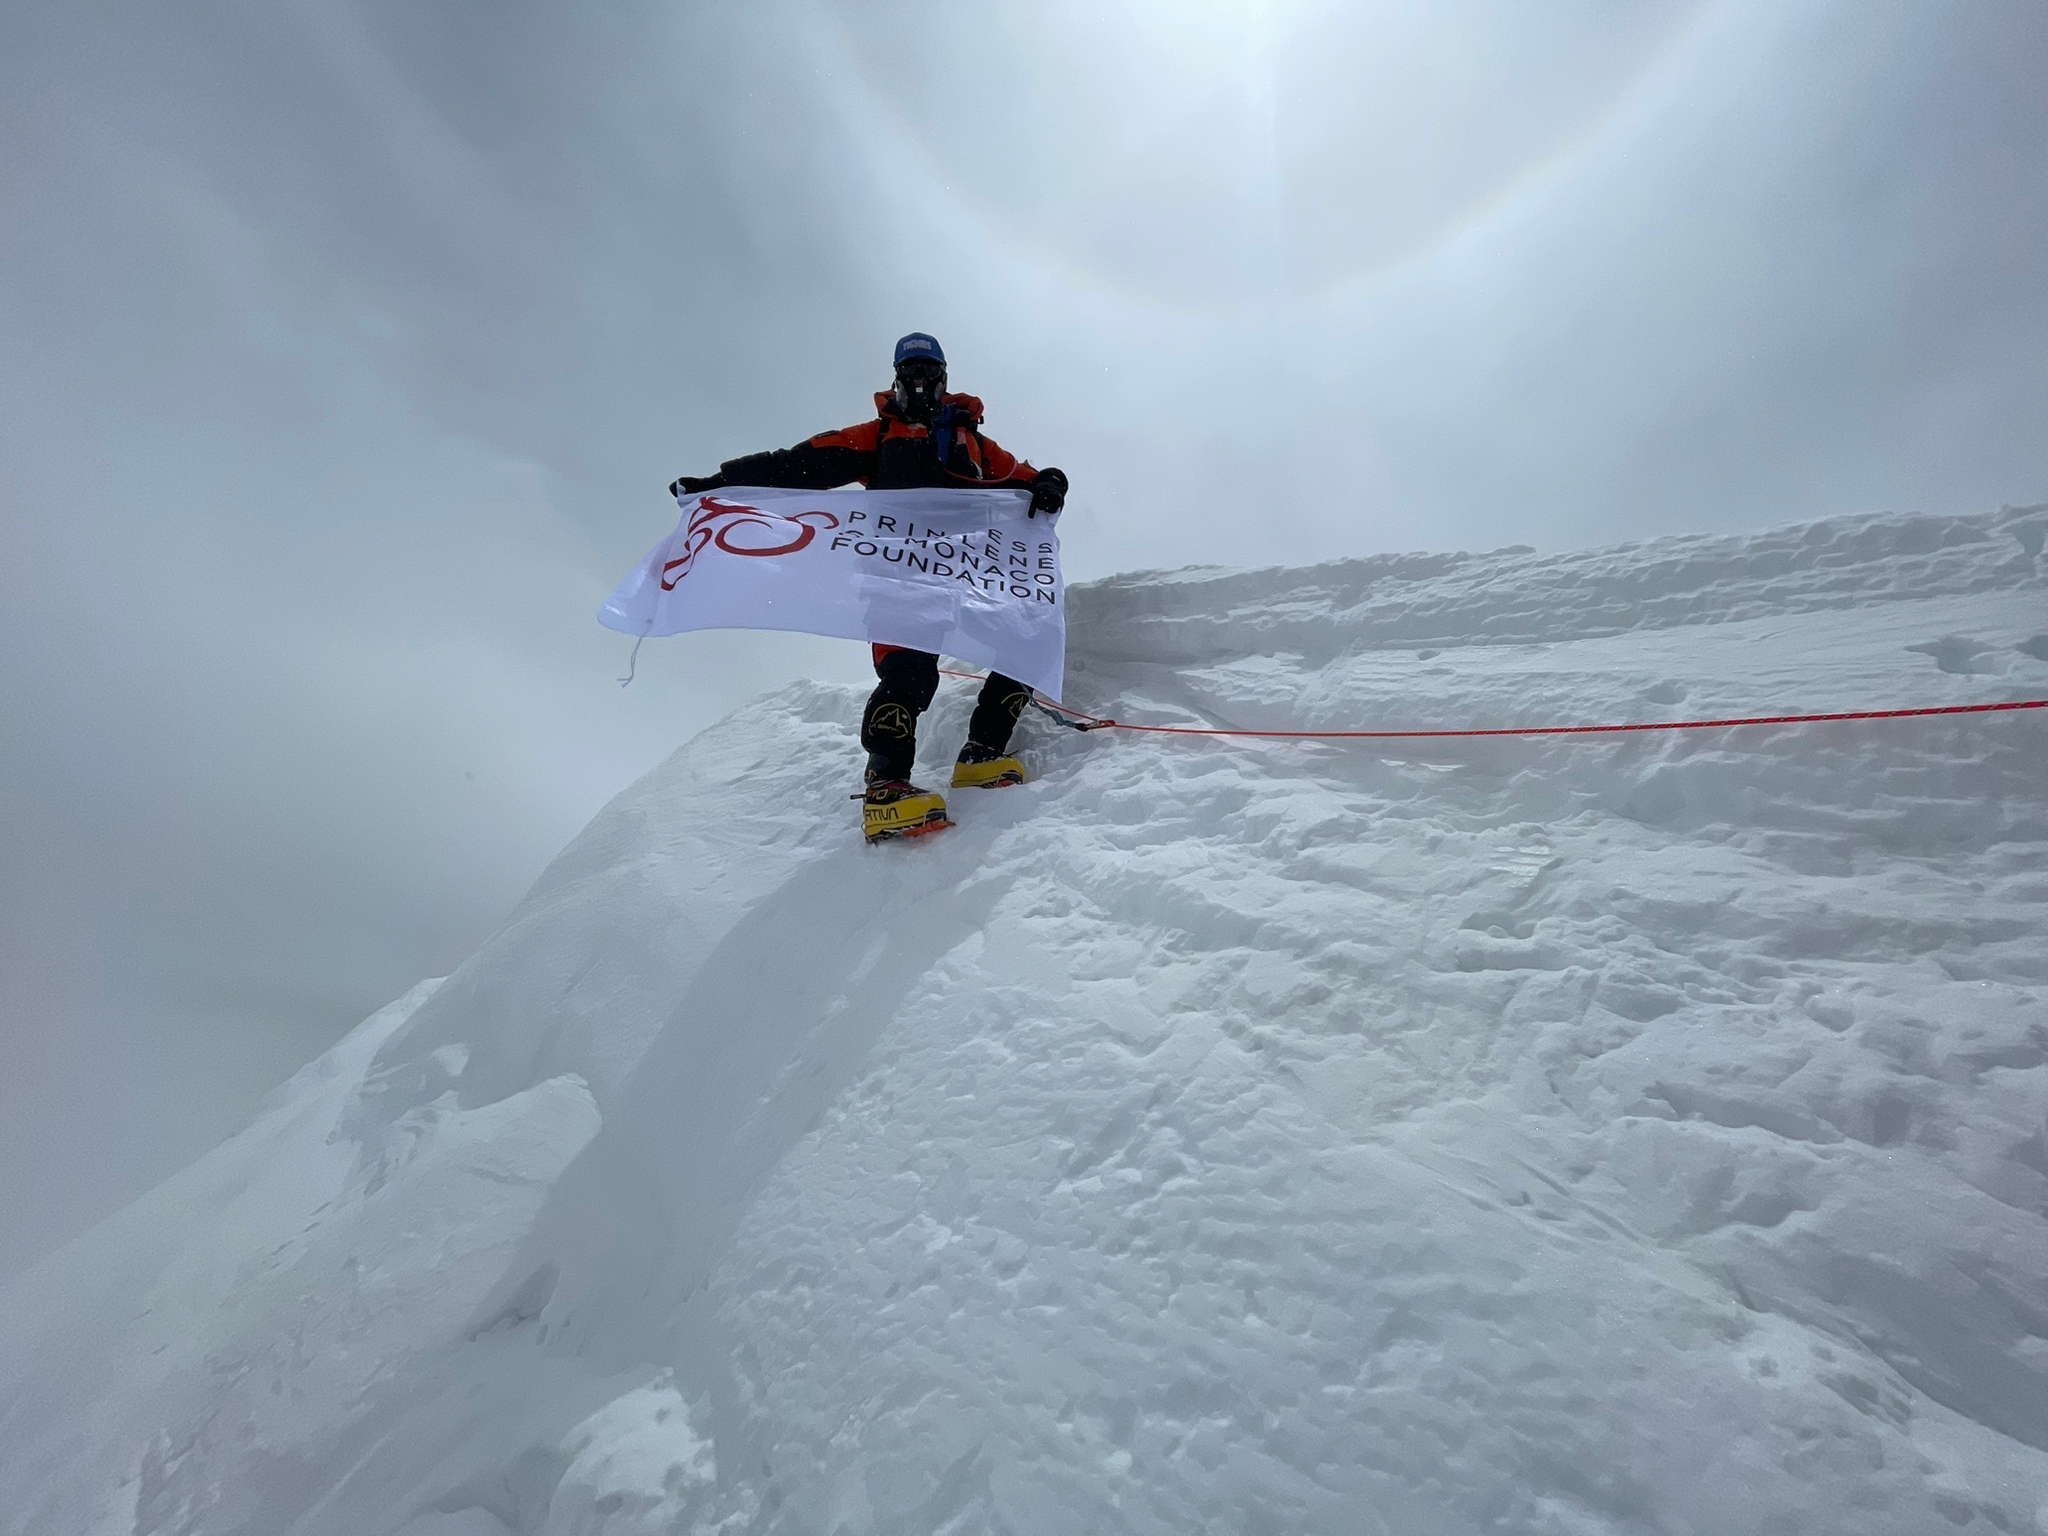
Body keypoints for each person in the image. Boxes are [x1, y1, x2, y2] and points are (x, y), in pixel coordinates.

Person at [670, 333, 1069, 843]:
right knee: (909, 675)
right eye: (911, 373)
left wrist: (1053, 481)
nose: (921, 382)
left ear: (944, 379)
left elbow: (1030, 478)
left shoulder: (972, 443)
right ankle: (886, 786)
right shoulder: (875, 437)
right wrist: (719, 484)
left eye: (930, 372)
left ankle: (981, 755)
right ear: (897, 380)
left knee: (1025, 646)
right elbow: (792, 466)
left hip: (962, 579)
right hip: (897, 578)